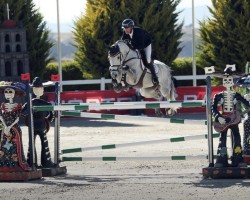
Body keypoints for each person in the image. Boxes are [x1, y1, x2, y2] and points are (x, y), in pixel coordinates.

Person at [208, 65, 248, 167]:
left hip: (234, 119)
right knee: (223, 139)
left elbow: (246, 103)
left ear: (232, 81)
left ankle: (238, 159)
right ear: (223, 82)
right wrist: (218, 117)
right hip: (223, 120)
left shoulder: (236, 95)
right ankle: (221, 159)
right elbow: (213, 108)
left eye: (229, 80)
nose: (227, 82)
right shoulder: (218, 96)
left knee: (237, 138)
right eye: (225, 80)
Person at [22, 77, 56, 168]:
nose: (38, 90)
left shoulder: (29, 103)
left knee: (32, 145)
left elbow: (22, 112)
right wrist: (48, 121)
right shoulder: (45, 103)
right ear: (33, 89)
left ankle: (31, 163)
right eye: (36, 88)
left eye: (40, 88)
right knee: (43, 144)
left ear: (43, 89)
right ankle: (46, 162)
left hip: (33, 125)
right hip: (41, 125)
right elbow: (52, 114)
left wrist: (27, 120)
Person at [0, 81, 30, 171]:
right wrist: (5, 127)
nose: (8, 94)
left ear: (14, 93)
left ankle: (16, 164)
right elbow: (1, 117)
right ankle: (4, 164)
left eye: (10, 92)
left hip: (14, 129)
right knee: (4, 146)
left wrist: (9, 127)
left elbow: (17, 118)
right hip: (5, 129)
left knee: (16, 146)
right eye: (6, 92)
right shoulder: (2, 106)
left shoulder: (18, 106)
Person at [121, 18, 159, 85]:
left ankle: (154, 77)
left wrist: (131, 46)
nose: (125, 29)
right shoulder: (125, 32)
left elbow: (141, 46)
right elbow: (123, 41)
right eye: (124, 28)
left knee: (147, 59)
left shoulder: (139, 32)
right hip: (136, 45)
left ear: (131, 27)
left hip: (145, 44)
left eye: (127, 28)